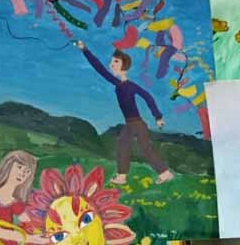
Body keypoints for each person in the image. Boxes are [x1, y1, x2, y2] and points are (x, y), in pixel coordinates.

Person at [75, 40, 175, 184]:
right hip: (129, 124)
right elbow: (100, 68)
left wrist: (158, 117)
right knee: (123, 147)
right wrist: (84, 49)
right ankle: (122, 177)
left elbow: (148, 97)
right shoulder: (117, 84)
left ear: (125, 66)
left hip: (138, 124)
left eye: (116, 61)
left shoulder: (131, 86)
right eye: (112, 61)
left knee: (145, 149)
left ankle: (165, 173)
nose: (112, 64)